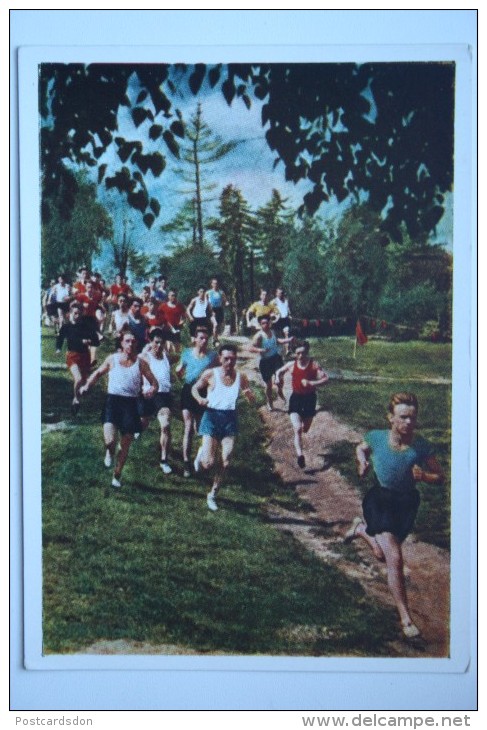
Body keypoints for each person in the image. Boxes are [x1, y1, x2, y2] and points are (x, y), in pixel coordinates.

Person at [344, 392, 444, 640]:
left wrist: (425, 477)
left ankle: (360, 530)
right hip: (380, 501)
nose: (408, 423)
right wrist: (361, 463)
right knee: (395, 559)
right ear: (390, 418)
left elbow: (440, 477)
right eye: (402, 417)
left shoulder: (420, 446)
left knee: (381, 554)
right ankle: (406, 618)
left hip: (406, 505)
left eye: (412, 418)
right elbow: (361, 448)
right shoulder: (377, 438)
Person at [79, 330, 158, 488]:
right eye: (127, 341)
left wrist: (152, 390)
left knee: (126, 443)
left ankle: (117, 474)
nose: (130, 344)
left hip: (130, 405)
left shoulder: (141, 363)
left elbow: (154, 382)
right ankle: (109, 451)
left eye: (133, 341)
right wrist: (87, 386)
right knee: (110, 440)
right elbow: (98, 373)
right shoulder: (112, 359)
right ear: (121, 343)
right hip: (113, 402)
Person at [191, 343, 255, 511]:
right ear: (220, 358)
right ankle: (201, 454)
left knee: (226, 461)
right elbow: (195, 388)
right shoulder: (211, 374)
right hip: (212, 417)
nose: (229, 362)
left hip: (229, 418)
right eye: (226, 359)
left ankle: (212, 494)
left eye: (233, 359)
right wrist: (199, 399)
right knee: (208, 463)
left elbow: (251, 397)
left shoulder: (241, 377)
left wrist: (249, 396)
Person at [275, 340, 329, 468]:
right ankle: (300, 455)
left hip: (310, 399)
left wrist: (312, 383)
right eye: (298, 353)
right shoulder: (291, 365)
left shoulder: (314, 365)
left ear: (307, 352)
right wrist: (277, 378)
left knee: (306, 428)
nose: (301, 356)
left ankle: (304, 428)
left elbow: (326, 379)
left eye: (303, 353)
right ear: (294, 353)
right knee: (297, 429)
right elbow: (279, 372)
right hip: (296, 398)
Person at [175, 327, 218, 477]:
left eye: (206, 339)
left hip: (203, 392)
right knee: (188, 427)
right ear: (194, 339)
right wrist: (179, 370)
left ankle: (200, 457)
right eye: (201, 338)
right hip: (188, 390)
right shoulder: (187, 352)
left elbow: (217, 373)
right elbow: (180, 368)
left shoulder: (213, 356)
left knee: (201, 428)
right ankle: (186, 463)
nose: (204, 341)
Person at [138, 328, 174, 474]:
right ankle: (138, 431)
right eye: (156, 342)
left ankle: (164, 460)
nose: (159, 346)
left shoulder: (166, 357)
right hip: (148, 394)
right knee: (143, 422)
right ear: (151, 342)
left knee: (165, 425)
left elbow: (177, 357)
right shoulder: (145, 357)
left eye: (162, 343)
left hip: (163, 396)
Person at [56, 300, 100, 414]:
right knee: (78, 379)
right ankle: (75, 399)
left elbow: (96, 341)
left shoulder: (87, 326)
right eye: (75, 313)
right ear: (70, 313)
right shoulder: (66, 327)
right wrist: (58, 349)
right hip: (72, 356)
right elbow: (60, 338)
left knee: (84, 383)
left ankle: (78, 399)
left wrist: (89, 341)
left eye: (79, 313)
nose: (77, 315)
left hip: (85, 356)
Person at [249, 314, 293, 411]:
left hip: (276, 359)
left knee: (280, 378)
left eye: (267, 322)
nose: (266, 325)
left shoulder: (272, 332)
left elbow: (278, 341)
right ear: (260, 325)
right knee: (268, 385)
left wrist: (288, 340)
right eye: (263, 323)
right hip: (265, 362)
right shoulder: (259, 336)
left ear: (270, 323)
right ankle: (270, 402)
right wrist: (261, 350)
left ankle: (280, 390)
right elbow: (251, 348)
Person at [206, 277, 228, 346]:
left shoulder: (221, 292)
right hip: (211, 310)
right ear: (211, 284)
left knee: (219, 325)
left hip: (219, 310)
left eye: (216, 283)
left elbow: (225, 300)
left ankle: (216, 338)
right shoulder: (208, 292)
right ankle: (214, 339)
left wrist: (227, 303)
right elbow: (205, 301)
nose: (215, 284)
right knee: (215, 324)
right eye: (214, 283)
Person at [272, 287, 292, 355]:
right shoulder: (274, 301)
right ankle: (277, 352)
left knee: (287, 333)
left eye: (282, 293)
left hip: (285, 320)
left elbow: (288, 309)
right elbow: (270, 309)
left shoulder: (286, 300)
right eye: (279, 293)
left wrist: (289, 314)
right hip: (277, 322)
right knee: (277, 338)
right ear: (276, 293)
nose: (281, 294)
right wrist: (273, 316)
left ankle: (287, 350)